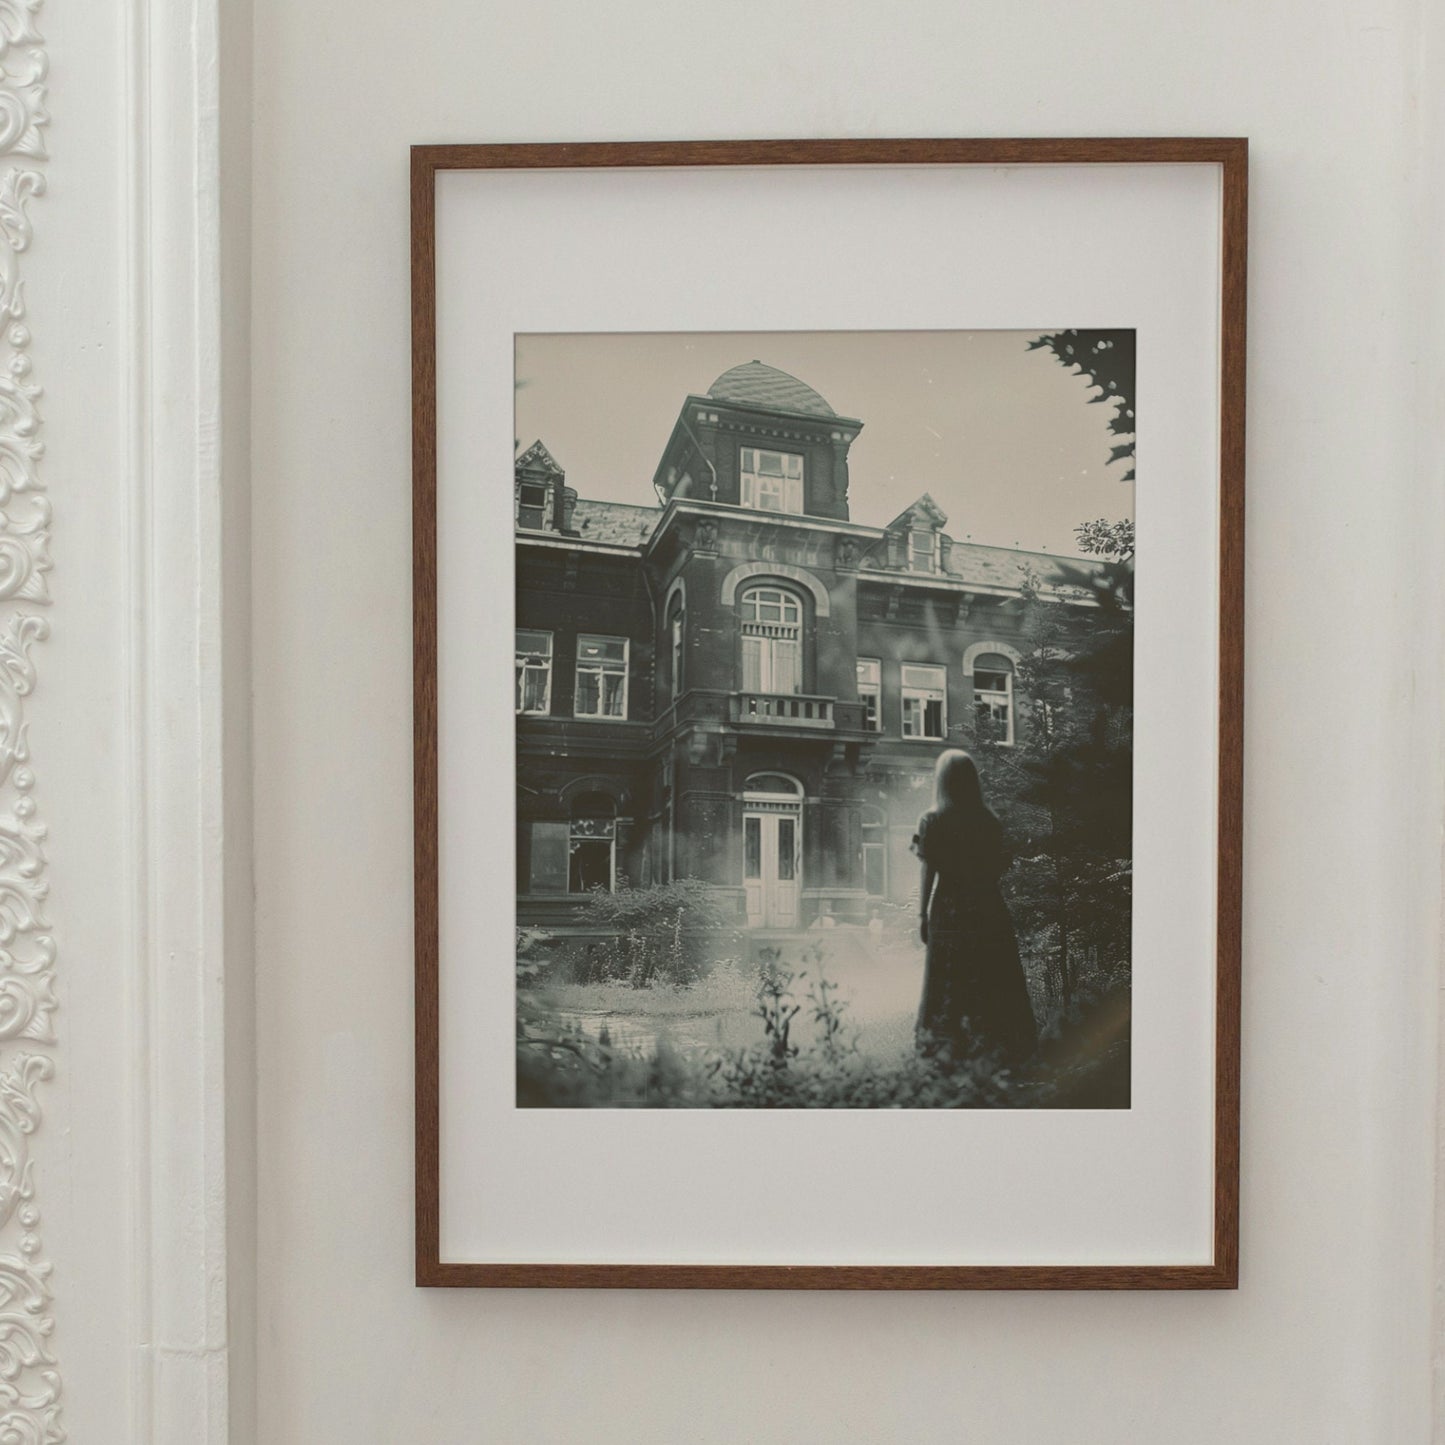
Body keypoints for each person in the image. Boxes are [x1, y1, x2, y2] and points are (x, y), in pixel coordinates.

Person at [912, 749, 1037, 1066]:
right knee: (993, 973)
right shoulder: (989, 821)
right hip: (987, 906)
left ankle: (946, 1046)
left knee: (948, 973)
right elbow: (999, 866)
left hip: (949, 908)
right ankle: (1002, 1044)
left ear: (941, 781)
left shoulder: (932, 821)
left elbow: (928, 871)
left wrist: (922, 914)